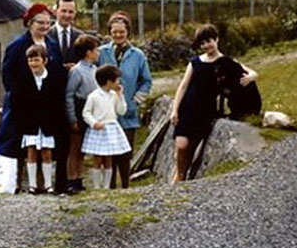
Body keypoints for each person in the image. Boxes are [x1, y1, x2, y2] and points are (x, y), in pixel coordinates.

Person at [170, 23, 259, 183]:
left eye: (209, 41)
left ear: (216, 39)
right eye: (202, 43)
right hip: (188, 108)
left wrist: (250, 77)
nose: (206, 45)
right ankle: (179, 175)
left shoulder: (226, 61)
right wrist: (175, 110)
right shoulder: (195, 62)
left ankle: (180, 181)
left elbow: (252, 72)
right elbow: (183, 86)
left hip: (206, 111)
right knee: (181, 145)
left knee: (191, 147)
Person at [0, 3, 64, 191]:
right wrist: (17, 95)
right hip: (21, 102)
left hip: (46, 103)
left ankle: (42, 184)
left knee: (45, 144)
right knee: (16, 140)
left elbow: (57, 73)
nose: (44, 26)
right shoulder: (17, 46)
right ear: (30, 23)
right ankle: (12, 182)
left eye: (48, 23)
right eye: (40, 22)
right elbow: (7, 74)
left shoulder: (52, 46)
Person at [97, 11, 152, 188]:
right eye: (115, 32)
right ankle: (110, 187)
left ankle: (126, 186)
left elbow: (146, 81)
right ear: (109, 33)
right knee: (109, 152)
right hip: (106, 113)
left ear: (128, 32)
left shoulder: (138, 55)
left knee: (125, 151)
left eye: (122, 32)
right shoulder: (102, 52)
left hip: (128, 113)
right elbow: (94, 77)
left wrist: (135, 102)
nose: (118, 35)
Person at [14, 44, 64, 194]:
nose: (33, 64)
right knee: (31, 152)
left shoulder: (53, 79)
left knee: (47, 152)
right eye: (30, 61)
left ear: (45, 61)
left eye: (36, 60)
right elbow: (18, 102)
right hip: (30, 122)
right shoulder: (24, 80)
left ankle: (48, 184)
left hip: (48, 122)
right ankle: (32, 184)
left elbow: (58, 103)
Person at [46, 0, 83, 194]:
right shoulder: (47, 34)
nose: (67, 15)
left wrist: (76, 67)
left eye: (71, 12)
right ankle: (43, 183)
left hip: (73, 98)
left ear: (75, 14)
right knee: (47, 141)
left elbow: (90, 65)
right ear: (56, 11)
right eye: (63, 11)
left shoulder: (80, 36)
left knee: (71, 142)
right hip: (51, 96)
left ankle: (67, 182)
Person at [81, 64, 131, 189]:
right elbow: (86, 113)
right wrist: (94, 123)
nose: (119, 83)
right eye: (117, 80)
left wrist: (120, 96)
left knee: (109, 158)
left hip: (112, 128)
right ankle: (97, 186)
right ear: (109, 81)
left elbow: (121, 111)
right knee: (98, 158)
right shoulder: (93, 96)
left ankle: (107, 185)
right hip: (99, 129)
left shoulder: (114, 95)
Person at [64, 34, 101, 194]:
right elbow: (69, 95)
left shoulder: (94, 70)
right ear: (88, 52)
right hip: (79, 109)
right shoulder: (77, 71)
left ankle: (79, 178)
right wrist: (72, 118)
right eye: (95, 50)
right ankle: (72, 179)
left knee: (82, 149)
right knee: (75, 148)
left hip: (90, 110)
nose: (98, 52)